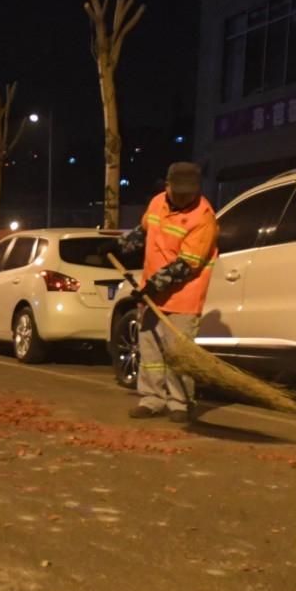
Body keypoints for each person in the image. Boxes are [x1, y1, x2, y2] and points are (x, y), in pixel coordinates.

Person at [103, 162, 219, 424]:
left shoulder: (204, 218)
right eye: (179, 193)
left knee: (178, 354)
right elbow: (144, 233)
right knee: (150, 350)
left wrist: (154, 285)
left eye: (189, 194)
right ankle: (151, 399)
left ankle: (180, 402)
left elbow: (187, 264)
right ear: (167, 186)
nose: (184, 199)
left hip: (184, 296)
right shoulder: (157, 203)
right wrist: (119, 246)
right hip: (152, 292)